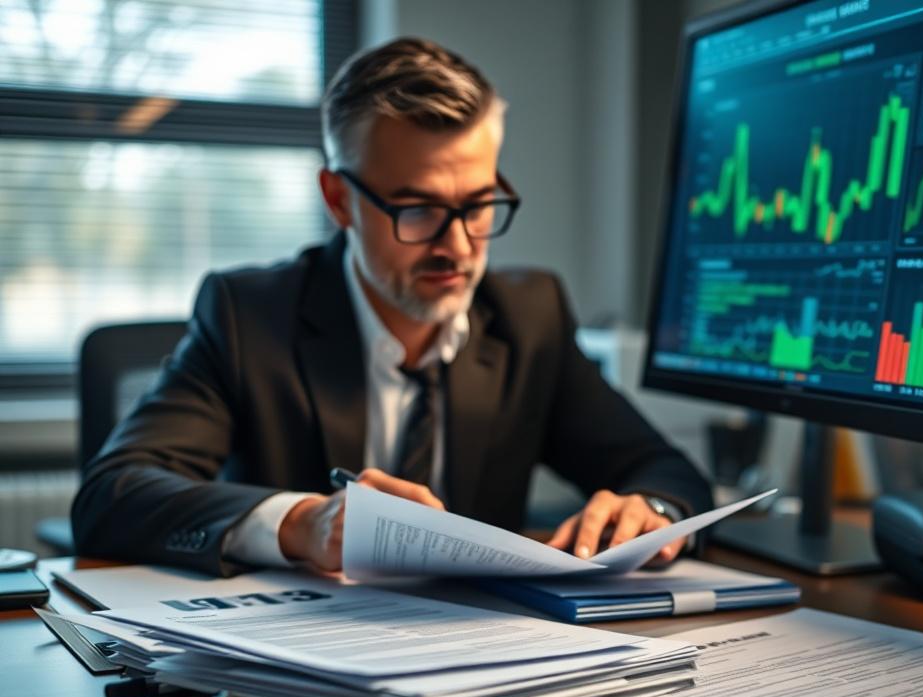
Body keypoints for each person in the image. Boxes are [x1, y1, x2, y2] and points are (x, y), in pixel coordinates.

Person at [71, 37, 712, 577]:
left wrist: (651, 511)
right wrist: (303, 523)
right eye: (419, 209)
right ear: (339, 200)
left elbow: (666, 472)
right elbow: (112, 495)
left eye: (479, 205)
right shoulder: (248, 316)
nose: (457, 246)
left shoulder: (529, 316)